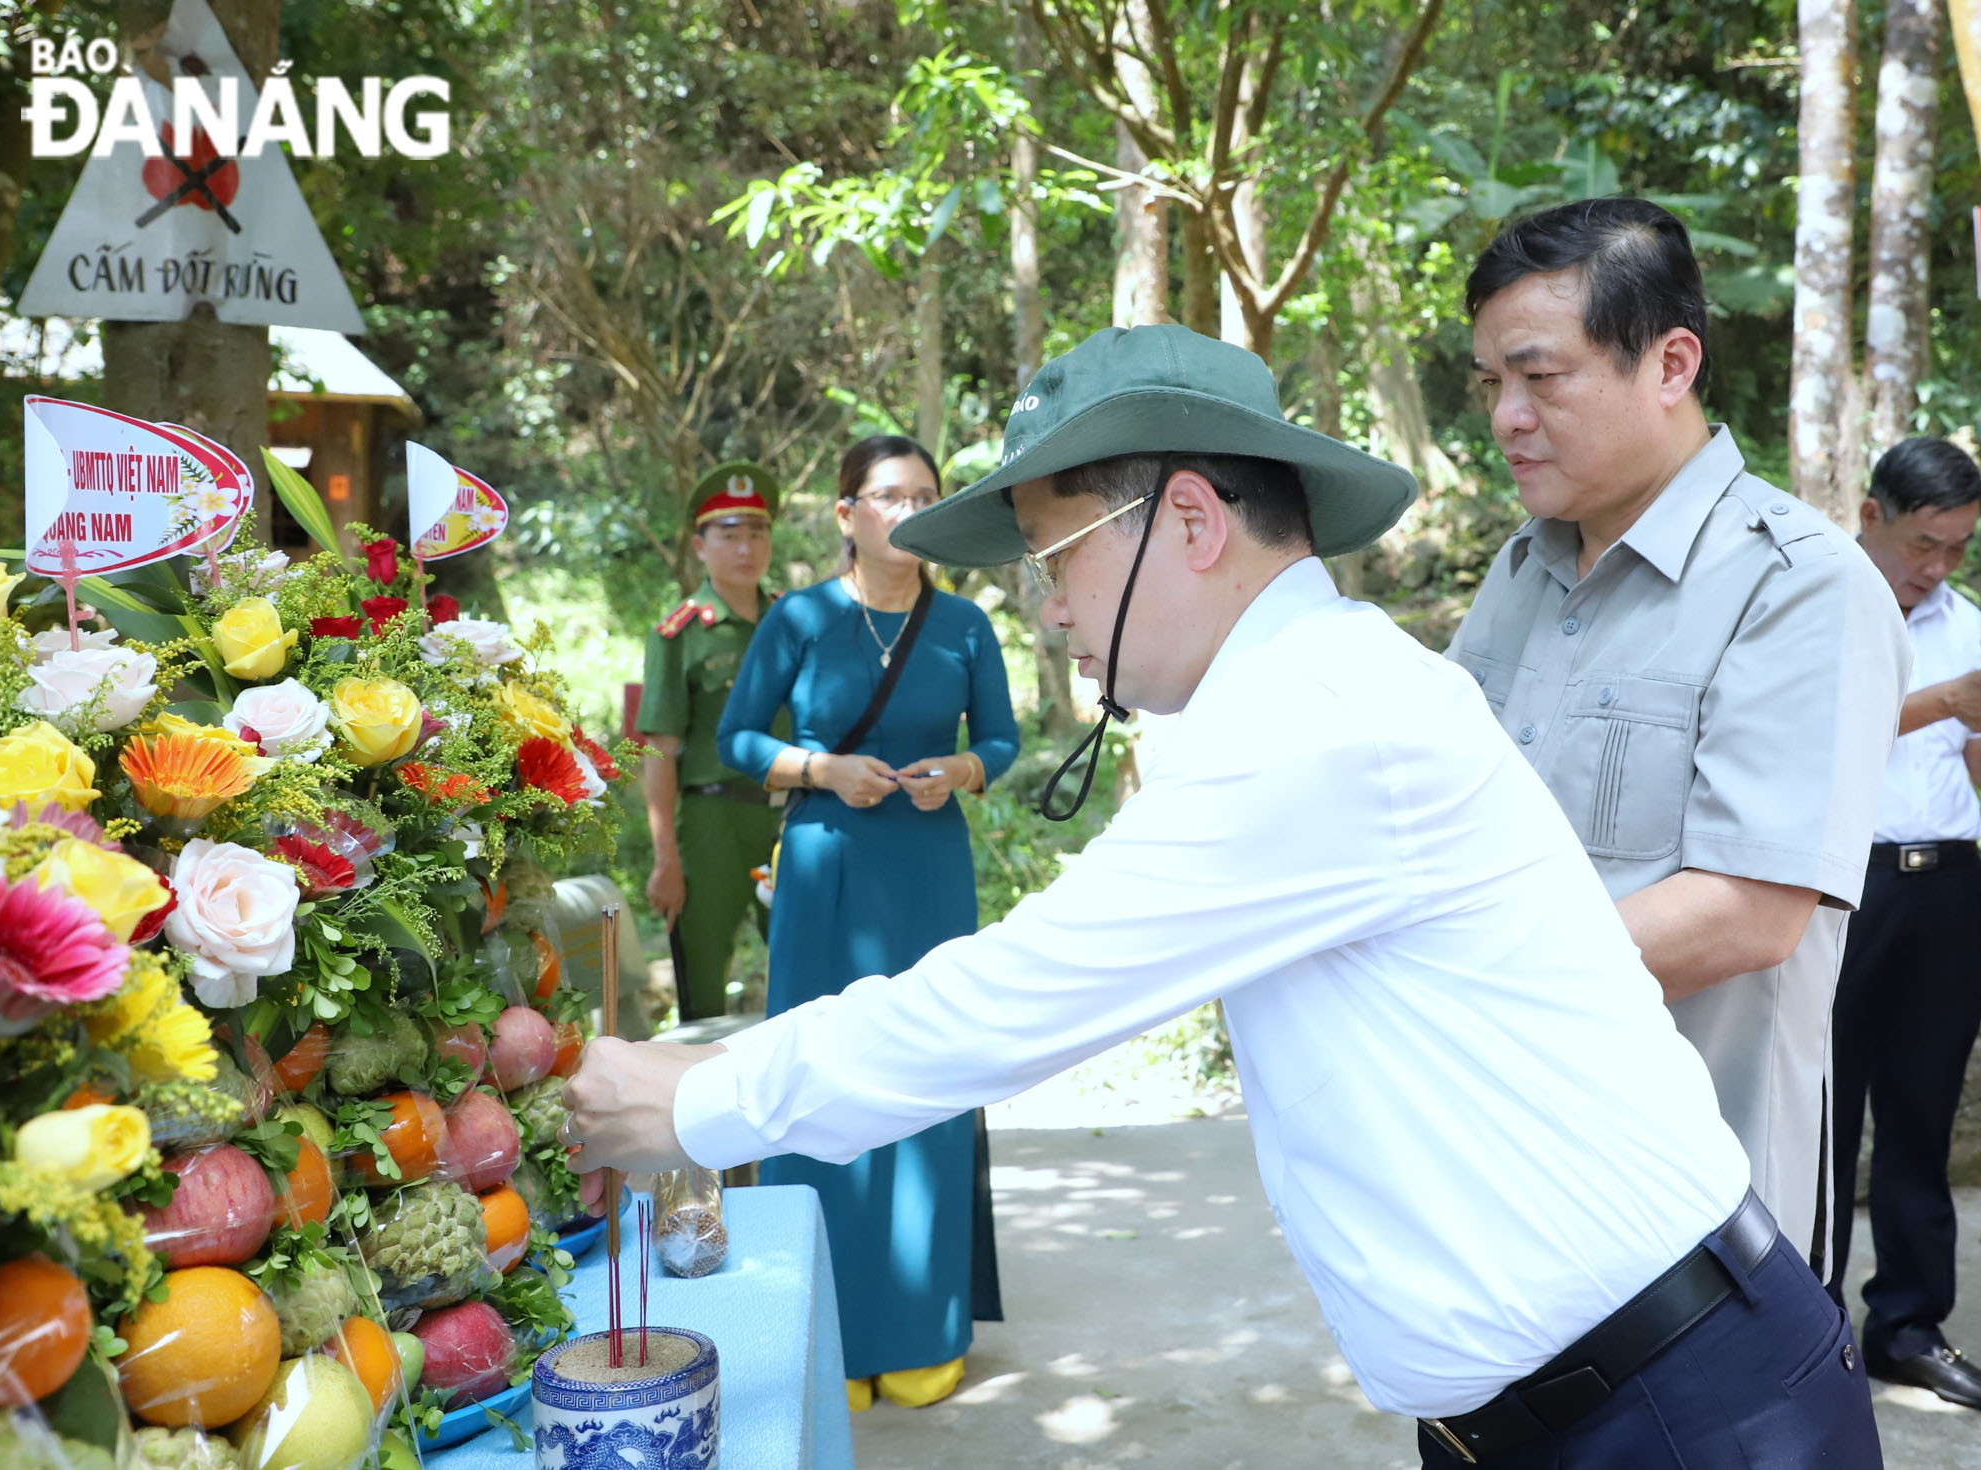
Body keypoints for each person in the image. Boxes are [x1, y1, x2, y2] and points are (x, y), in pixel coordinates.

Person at [561, 323, 1884, 1465]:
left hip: (1671, 1410)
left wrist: (693, 1099)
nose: (1046, 613)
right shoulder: (1307, 694)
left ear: (1188, 520)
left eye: (1051, 557)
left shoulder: (1316, 719)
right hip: (1581, 1397)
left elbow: (1017, 996)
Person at [1447, 198, 1910, 1273]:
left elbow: (1747, 912)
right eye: (1488, 384)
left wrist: (1449, 970)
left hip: (1686, 1237)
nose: (1505, 416)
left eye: (1539, 377)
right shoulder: (1519, 573)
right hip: (1495, 1179)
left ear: (1669, 363)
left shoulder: (1795, 586)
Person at [713, 434, 1021, 1411]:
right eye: (889, 496)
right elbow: (735, 738)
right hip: (825, 864)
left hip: (926, 870)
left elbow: (1002, 738)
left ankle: (921, 1327)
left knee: (927, 1071)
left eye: (925, 496)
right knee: (817, 1078)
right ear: (845, 514)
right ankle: (822, 1332)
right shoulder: (800, 618)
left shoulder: (966, 624)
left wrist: (964, 771)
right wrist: (818, 770)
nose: (910, 510)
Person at [1830, 436, 1981, 1408]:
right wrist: (1938, 704)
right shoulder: (1819, 608)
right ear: (1869, 517)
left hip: (1949, 888)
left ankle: (1906, 1325)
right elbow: (1811, 726)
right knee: (1818, 1113)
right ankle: (1801, 1322)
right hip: (1840, 887)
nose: (1934, 568)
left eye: (1955, 548)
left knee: (1919, 1112)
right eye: (1922, 543)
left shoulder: (1967, 626)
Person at [633, 462, 784, 1026]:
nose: (746, 548)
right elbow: (661, 753)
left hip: (790, 817)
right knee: (702, 986)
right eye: (729, 534)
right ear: (700, 545)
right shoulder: (679, 635)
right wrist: (665, 858)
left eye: (757, 532)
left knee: (810, 973)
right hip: (711, 823)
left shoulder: (792, 620)